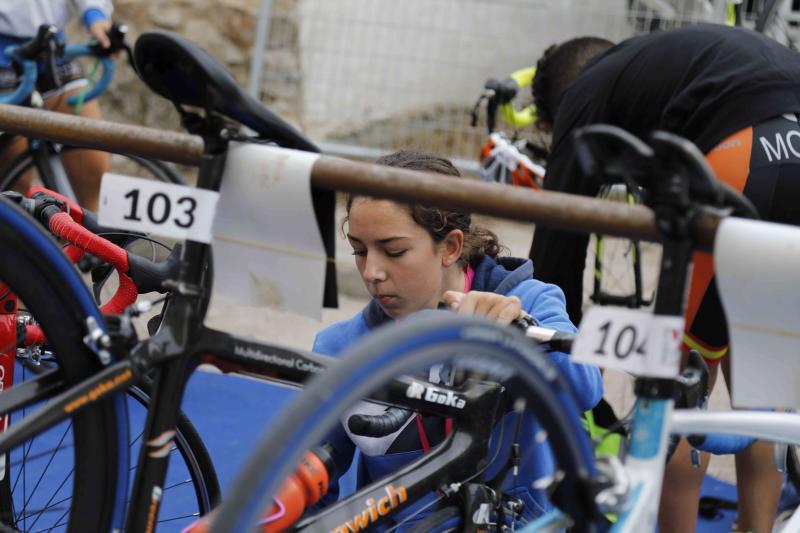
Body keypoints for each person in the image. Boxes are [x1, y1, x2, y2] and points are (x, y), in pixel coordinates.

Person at [527, 24, 800, 533]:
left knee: (674, 388)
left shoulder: (584, 95)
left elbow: (555, 253)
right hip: (789, 132)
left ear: (555, 109)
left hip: (742, 156)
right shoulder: (662, 64)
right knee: (761, 380)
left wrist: (567, 368)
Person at [312, 149, 603, 528]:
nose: (372, 272)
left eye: (393, 251)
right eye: (359, 250)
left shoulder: (528, 299)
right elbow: (311, 483)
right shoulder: (340, 348)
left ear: (450, 247)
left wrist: (519, 335)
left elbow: (586, 390)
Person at [0, 0, 115, 210]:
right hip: (3, 57)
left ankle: (90, 241)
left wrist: (96, 16)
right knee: (14, 184)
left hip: (52, 49)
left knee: (94, 171)